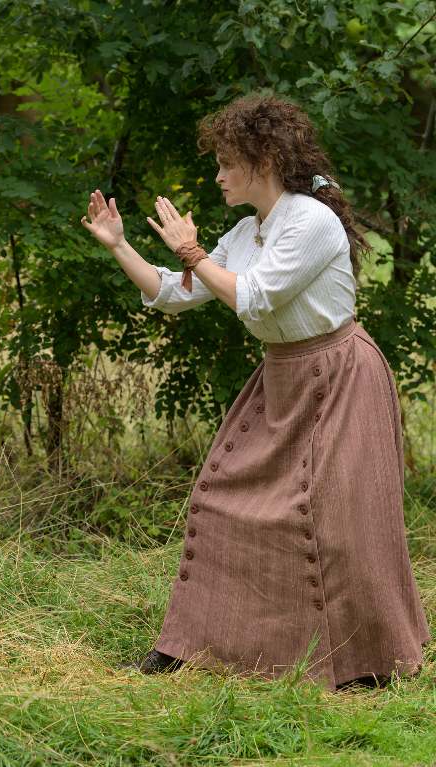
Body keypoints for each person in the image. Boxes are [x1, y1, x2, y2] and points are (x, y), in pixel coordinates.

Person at [80, 94, 429, 690]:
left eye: (225, 163)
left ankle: (364, 663)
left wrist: (191, 250)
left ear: (262, 161)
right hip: (283, 376)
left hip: (340, 375)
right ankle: (192, 646)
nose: (216, 175)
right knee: (220, 500)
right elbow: (177, 294)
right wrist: (119, 244)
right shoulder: (247, 231)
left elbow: (254, 297)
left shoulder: (311, 221)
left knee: (341, 522)